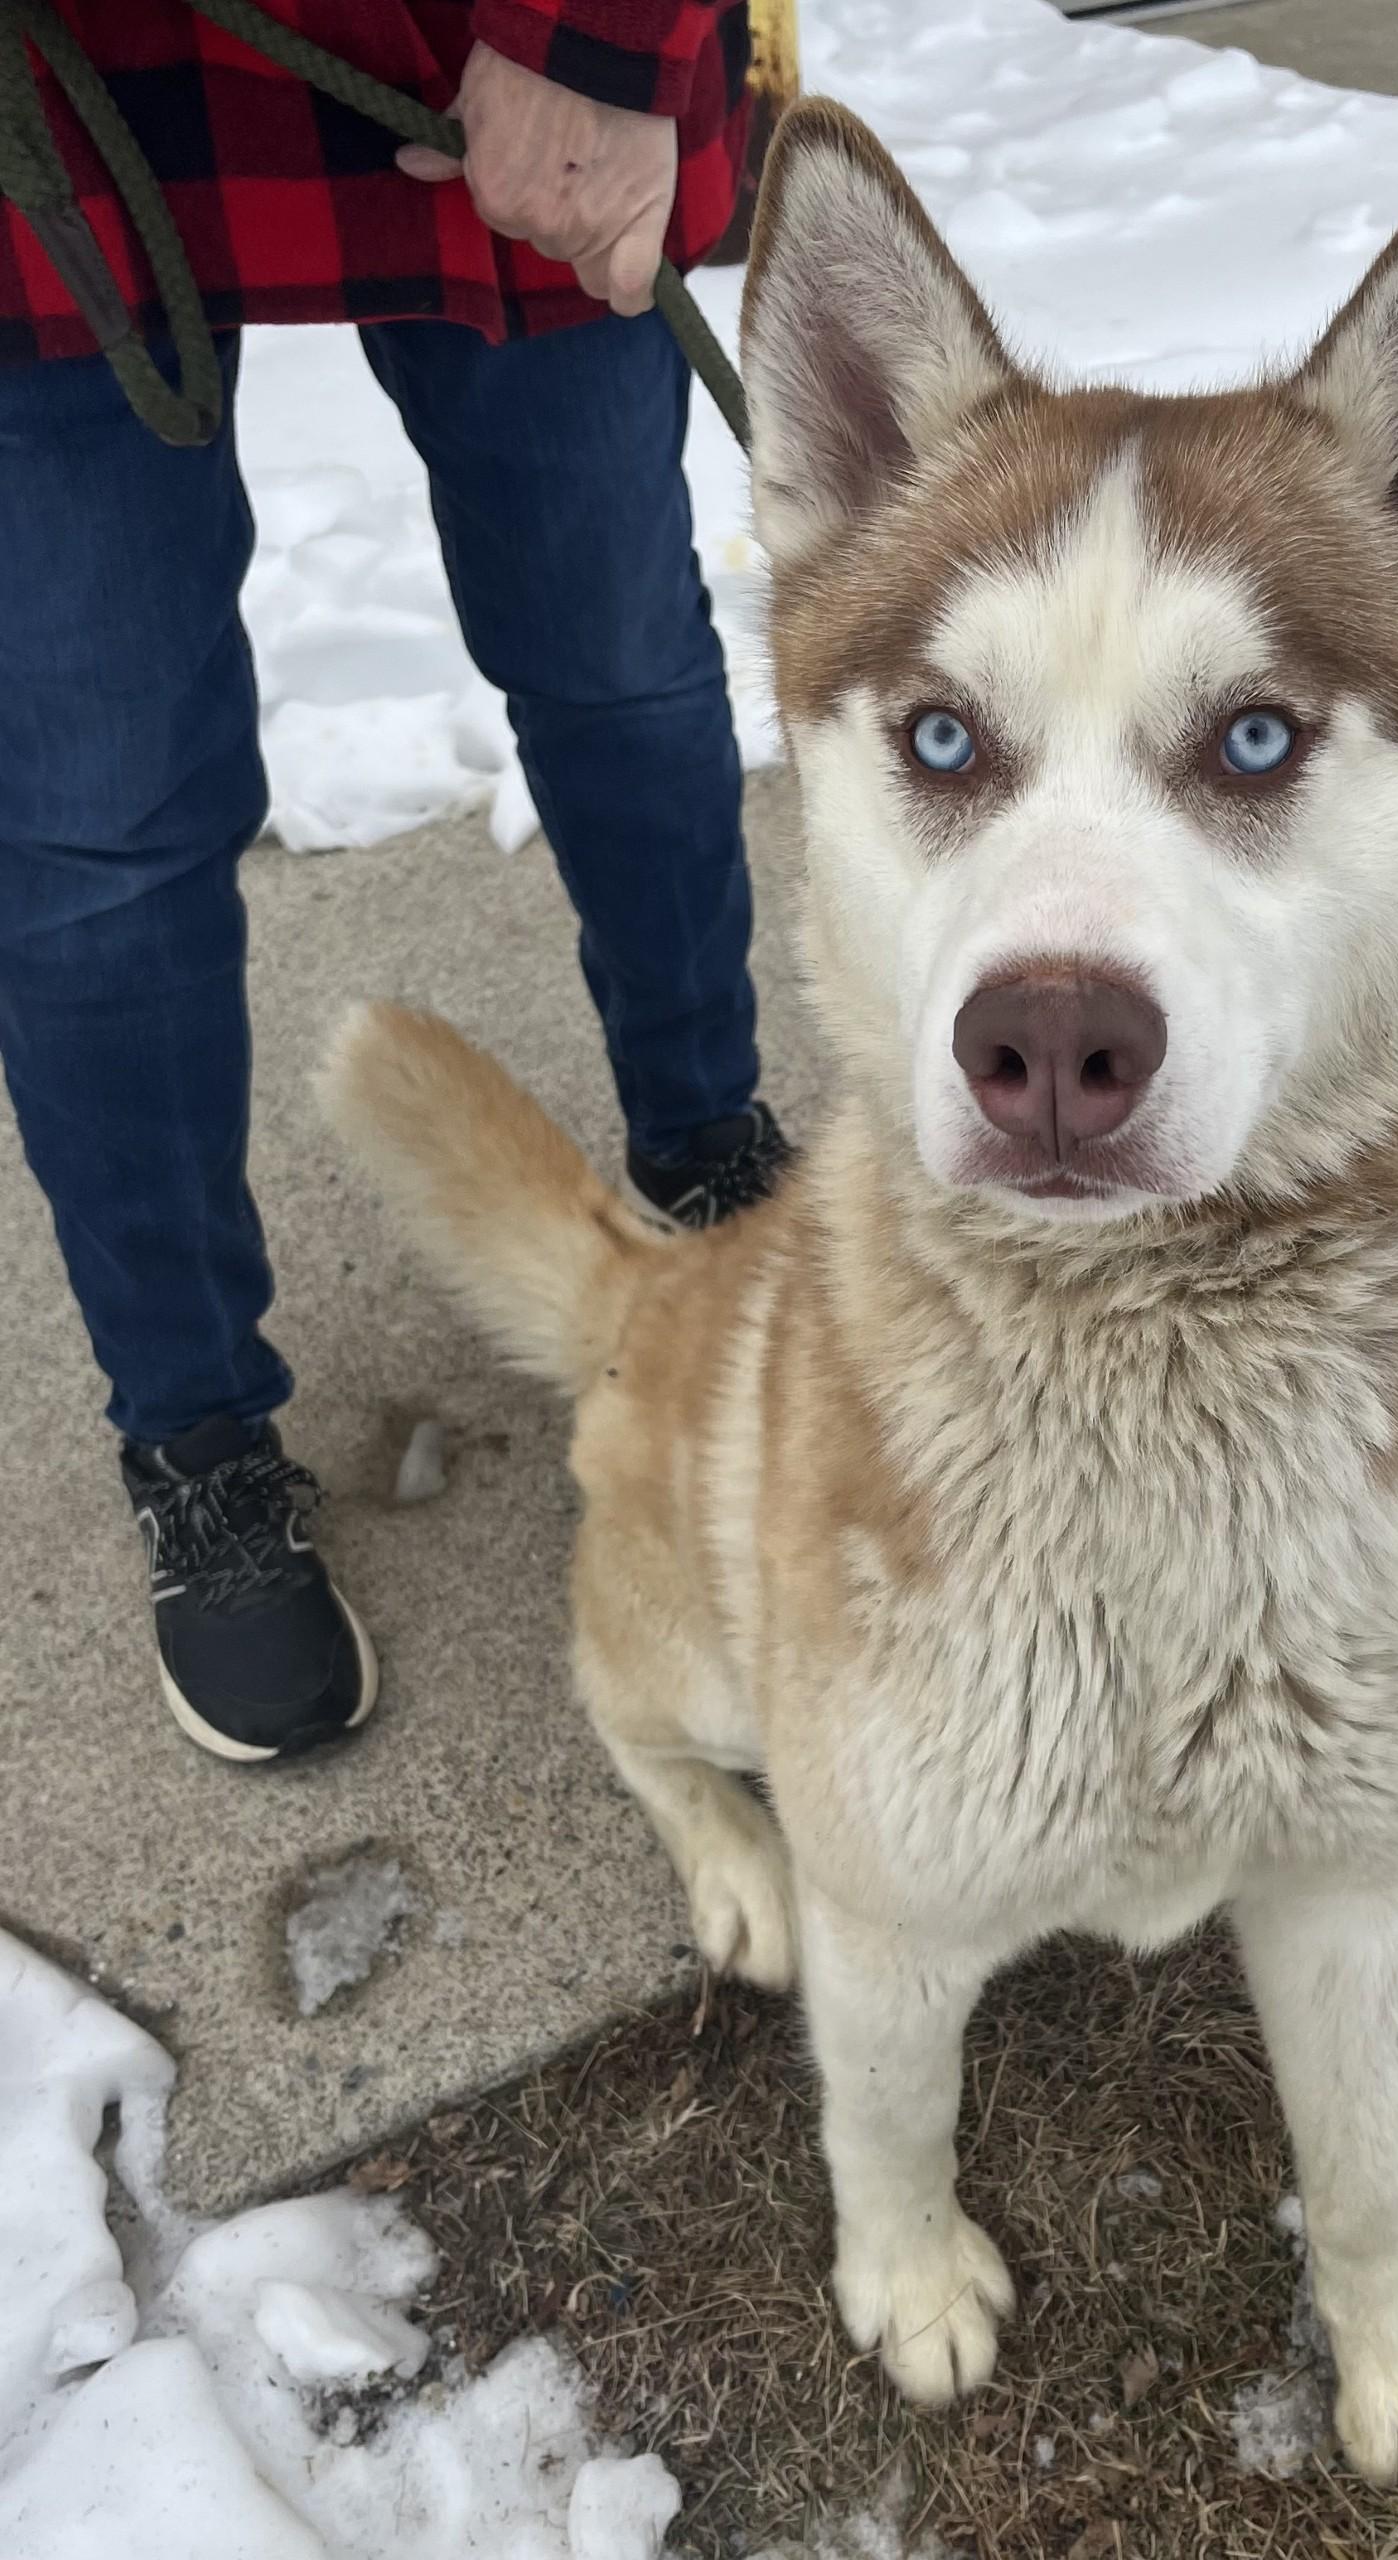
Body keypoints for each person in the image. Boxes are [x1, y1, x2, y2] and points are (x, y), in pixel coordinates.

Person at [0, 2, 785, 1765]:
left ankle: (720, 1169)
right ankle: (193, 1433)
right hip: (43, 85)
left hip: (481, 36)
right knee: (88, 827)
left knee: (621, 659)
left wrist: (597, 34)